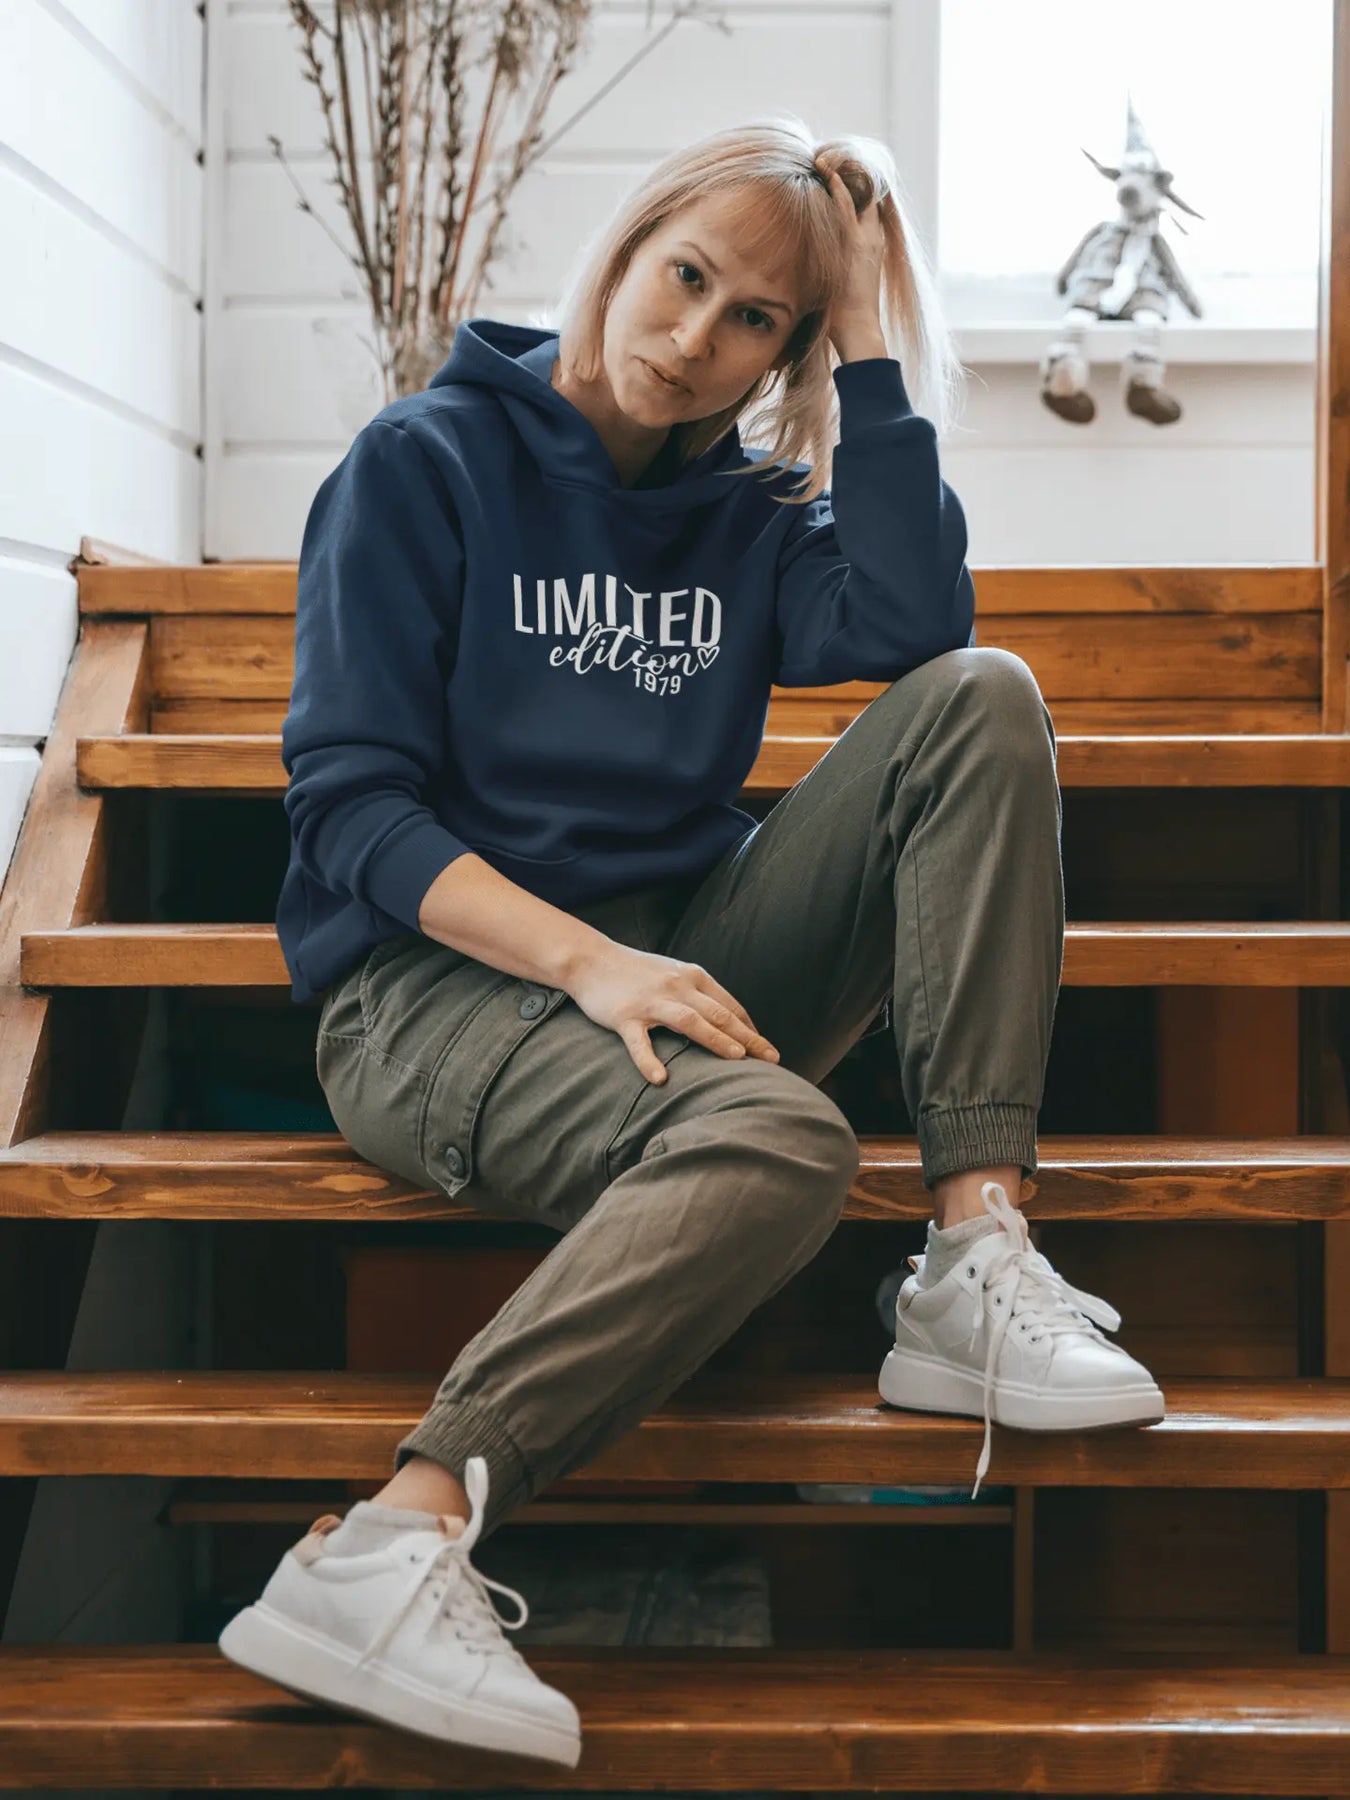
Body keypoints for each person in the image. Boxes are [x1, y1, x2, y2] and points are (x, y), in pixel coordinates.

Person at [218, 114, 1165, 1768]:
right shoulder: (423, 462)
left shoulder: (746, 512)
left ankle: (972, 1245)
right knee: (784, 1139)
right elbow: (350, 812)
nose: (691, 338)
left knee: (981, 698)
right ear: (627, 244)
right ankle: (393, 1538)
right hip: (438, 994)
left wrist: (865, 345)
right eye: (684, 278)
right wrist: (587, 963)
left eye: (755, 322)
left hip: (681, 958)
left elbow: (913, 625)